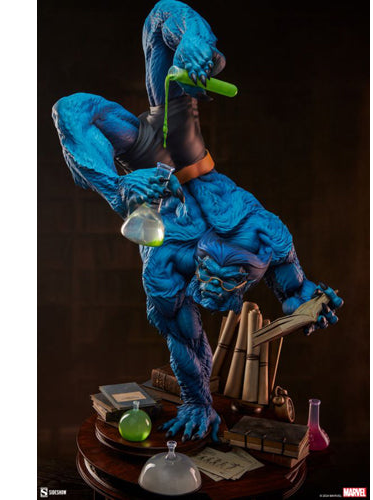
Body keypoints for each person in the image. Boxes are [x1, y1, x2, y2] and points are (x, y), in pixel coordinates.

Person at [52, 0, 343, 441]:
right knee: (137, 51)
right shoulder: (260, 233)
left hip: (149, 166)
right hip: (183, 156)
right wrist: (119, 189)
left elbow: (188, 341)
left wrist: (198, 401)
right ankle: (121, 182)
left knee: (78, 106)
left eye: (217, 287)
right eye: (218, 284)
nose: (213, 293)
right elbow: (293, 284)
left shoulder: (166, 264)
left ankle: (121, 183)